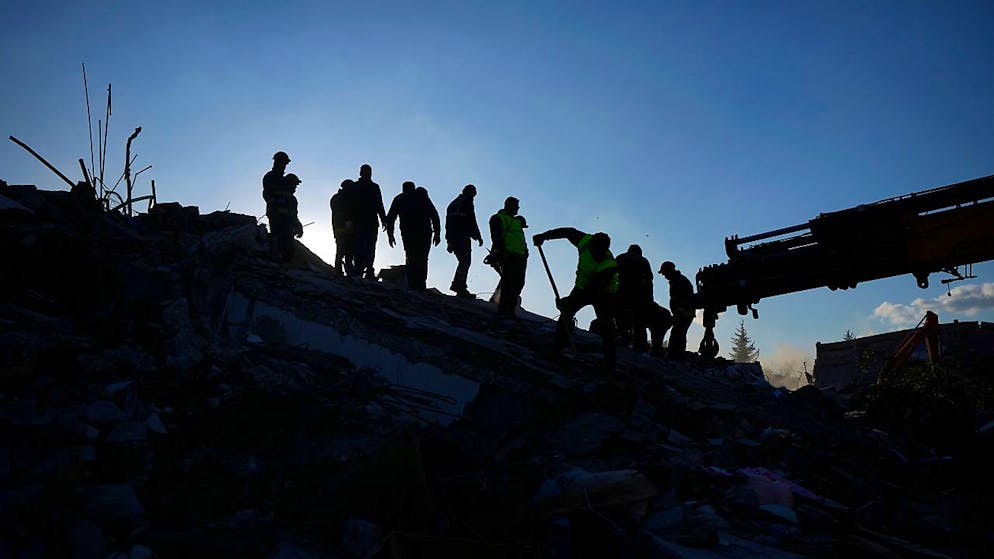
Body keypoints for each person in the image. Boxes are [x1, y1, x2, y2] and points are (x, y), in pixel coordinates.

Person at [532, 228, 619, 369]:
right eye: (596, 251)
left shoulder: (608, 266)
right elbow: (568, 232)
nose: (599, 255)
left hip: (605, 294)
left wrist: (568, 301)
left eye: (601, 252)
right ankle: (558, 347)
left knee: (606, 325)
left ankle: (610, 363)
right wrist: (544, 236)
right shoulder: (585, 242)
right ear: (591, 245)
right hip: (582, 286)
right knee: (566, 313)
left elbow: (593, 291)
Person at [386, 182, 441, 291]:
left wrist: (390, 235)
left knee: (411, 256)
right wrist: (437, 234)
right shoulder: (422, 198)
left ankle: (412, 283)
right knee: (422, 258)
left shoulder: (400, 198)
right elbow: (435, 216)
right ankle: (420, 283)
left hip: (409, 233)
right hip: (424, 232)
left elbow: (391, 218)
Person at [488, 196, 528, 318]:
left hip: (520, 256)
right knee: (508, 282)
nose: (517, 209)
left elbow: (519, 237)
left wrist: (525, 251)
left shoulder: (516, 221)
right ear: (508, 205)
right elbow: (496, 236)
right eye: (515, 206)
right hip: (508, 255)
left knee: (519, 283)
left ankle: (507, 306)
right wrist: (501, 251)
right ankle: (504, 309)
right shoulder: (498, 218)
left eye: (518, 207)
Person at [445, 184, 483, 298]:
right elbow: (471, 219)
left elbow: (448, 223)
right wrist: (478, 236)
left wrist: (449, 240)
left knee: (462, 260)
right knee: (465, 260)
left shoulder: (452, 204)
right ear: (470, 192)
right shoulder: (467, 202)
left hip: (453, 236)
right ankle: (459, 286)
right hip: (462, 236)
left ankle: (459, 285)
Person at [615, 244, 655, 352]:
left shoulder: (620, 257)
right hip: (638, 294)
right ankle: (640, 347)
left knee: (619, 317)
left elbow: (612, 273)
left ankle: (621, 339)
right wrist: (649, 298)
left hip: (621, 291)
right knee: (639, 322)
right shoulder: (643, 261)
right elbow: (649, 281)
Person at [353, 164, 386, 279]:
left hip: (371, 222)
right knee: (359, 247)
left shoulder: (374, 187)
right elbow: (349, 205)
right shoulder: (355, 187)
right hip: (358, 222)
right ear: (361, 173)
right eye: (365, 172)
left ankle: (368, 269)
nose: (367, 174)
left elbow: (379, 204)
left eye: (368, 172)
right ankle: (358, 269)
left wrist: (383, 220)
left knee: (370, 247)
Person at [658, 260, 696, 360]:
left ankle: (674, 357)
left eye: (665, 273)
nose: (665, 276)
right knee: (679, 334)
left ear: (669, 271)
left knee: (678, 334)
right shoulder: (677, 280)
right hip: (683, 313)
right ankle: (676, 356)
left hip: (684, 313)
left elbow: (684, 300)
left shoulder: (679, 281)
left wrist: (678, 313)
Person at [268, 173, 304, 262]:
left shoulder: (293, 199)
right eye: (294, 185)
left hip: (288, 231)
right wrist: (279, 225)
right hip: (279, 231)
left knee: (289, 252)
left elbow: (294, 215)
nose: (295, 187)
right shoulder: (277, 195)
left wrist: (298, 226)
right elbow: (271, 212)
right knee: (278, 252)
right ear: (288, 183)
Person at [262, 150, 291, 258]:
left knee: (285, 239)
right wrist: (276, 209)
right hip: (275, 212)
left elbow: (288, 198)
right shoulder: (270, 177)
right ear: (277, 162)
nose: (284, 166)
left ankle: (283, 260)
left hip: (285, 214)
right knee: (276, 237)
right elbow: (267, 195)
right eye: (283, 163)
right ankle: (274, 258)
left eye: (285, 164)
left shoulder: (283, 180)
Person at [330, 179, 358, 276]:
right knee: (344, 251)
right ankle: (340, 271)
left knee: (345, 251)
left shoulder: (337, 198)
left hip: (342, 229)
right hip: (343, 229)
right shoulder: (341, 199)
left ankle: (345, 271)